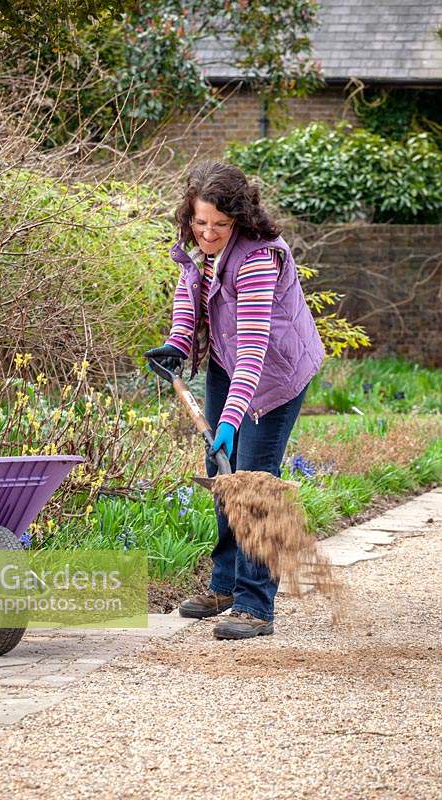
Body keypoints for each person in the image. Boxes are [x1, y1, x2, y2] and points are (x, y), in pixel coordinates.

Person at [145, 161, 325, 641]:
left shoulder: (260, 259)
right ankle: (225, 586)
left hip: (274, 372)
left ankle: (255, 605)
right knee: (221, 470)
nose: (207, 233)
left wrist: (231, 419)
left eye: (220, 226)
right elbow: (190, 300)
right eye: (200, 222)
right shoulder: (196, 243)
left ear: (240, 221)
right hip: (229, 361)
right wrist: (177, 347)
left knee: (252, 479)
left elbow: (254, 351)